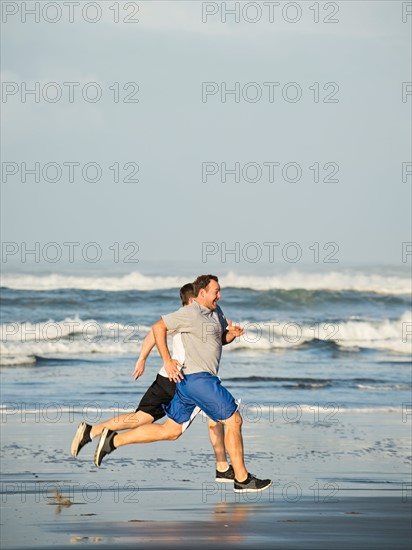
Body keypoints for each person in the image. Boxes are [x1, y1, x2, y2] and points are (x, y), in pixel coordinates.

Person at [94, 275, 272, 493]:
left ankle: (113, 442)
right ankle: (242, 479)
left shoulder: (217, 312)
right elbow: (158, 327)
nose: (220, 295)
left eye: (219, 290)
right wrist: (166, 360)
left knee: (171, 430)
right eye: (216, 291)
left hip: (190, 384)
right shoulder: (190, 312)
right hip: (199, 379)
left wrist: (231, 335)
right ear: (202, 293)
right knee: (233, 420)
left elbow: (220, 338)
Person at [71, 283, 235, 483]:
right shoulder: (191, 317)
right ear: (193, 300)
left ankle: (92, 431)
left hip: (164, 378)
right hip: (184, 380)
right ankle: (222, 467)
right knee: (213, 419)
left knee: (140, 418)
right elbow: (158, 330)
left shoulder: (182, 317)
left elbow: (154, 332)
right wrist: (162, 360)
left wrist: (142, 359)